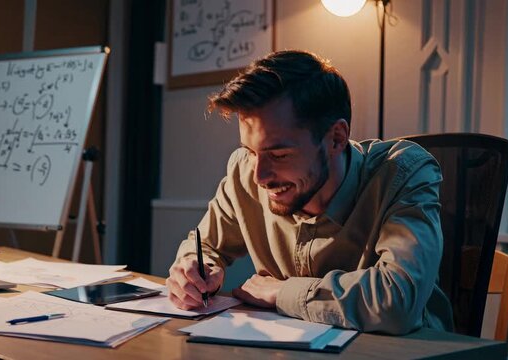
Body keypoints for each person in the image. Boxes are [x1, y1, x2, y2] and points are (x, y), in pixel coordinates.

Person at [166, 50, 454, 335]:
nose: (260, 176)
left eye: (278, 154)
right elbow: (205, 248)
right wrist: (194, 271)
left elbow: (397, 301)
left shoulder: (404, 172)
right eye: (250, 151)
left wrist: (282, 293)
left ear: (336, 139)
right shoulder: (245, 172)